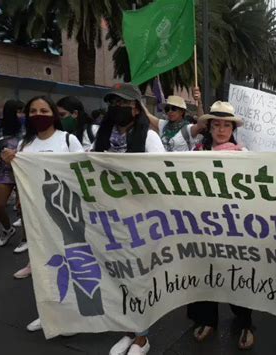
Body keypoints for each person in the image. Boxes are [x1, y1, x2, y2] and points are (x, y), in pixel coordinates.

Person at [1, 95, 84, 333]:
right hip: (37, 216)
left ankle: (74, 315)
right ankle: (50, 314)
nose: (39, 115)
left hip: (66, 213)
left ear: (54, 115)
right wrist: (10, 163)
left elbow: (81, 174)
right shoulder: (24, 145)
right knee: (43, 267)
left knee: (70, 265)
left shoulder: (68, 140)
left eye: (44, 110)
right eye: (34, 111)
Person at [103, 84, 165, 355]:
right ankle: (128, 332)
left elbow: (163, 175)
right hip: (109, 217)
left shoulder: (149, 138)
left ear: (136, 108)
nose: (117, 108)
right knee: (119, 278)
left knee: (138, 279)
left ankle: (142, 338)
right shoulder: (101, 136)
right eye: (113, 103)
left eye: (123, 103)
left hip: (140, 219)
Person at [186, 101, 253, 350]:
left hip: (234, 225)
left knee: (237, 274)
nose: (222, 129)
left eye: (227, 125)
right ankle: (207, 320)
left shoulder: (244, 155)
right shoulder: (196, 152)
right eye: (217, 124)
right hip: (202, 225)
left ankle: (245, 322)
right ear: (210, 127)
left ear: (233, 128)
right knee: (205, 273)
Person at [0, 100, 25, 251]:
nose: (21, 114)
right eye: (18, 111)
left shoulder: (27, 125)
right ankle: (8, 229)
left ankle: (26, 238)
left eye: (22, 111)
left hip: (23, 169)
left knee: (23, 208)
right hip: (3, 170)